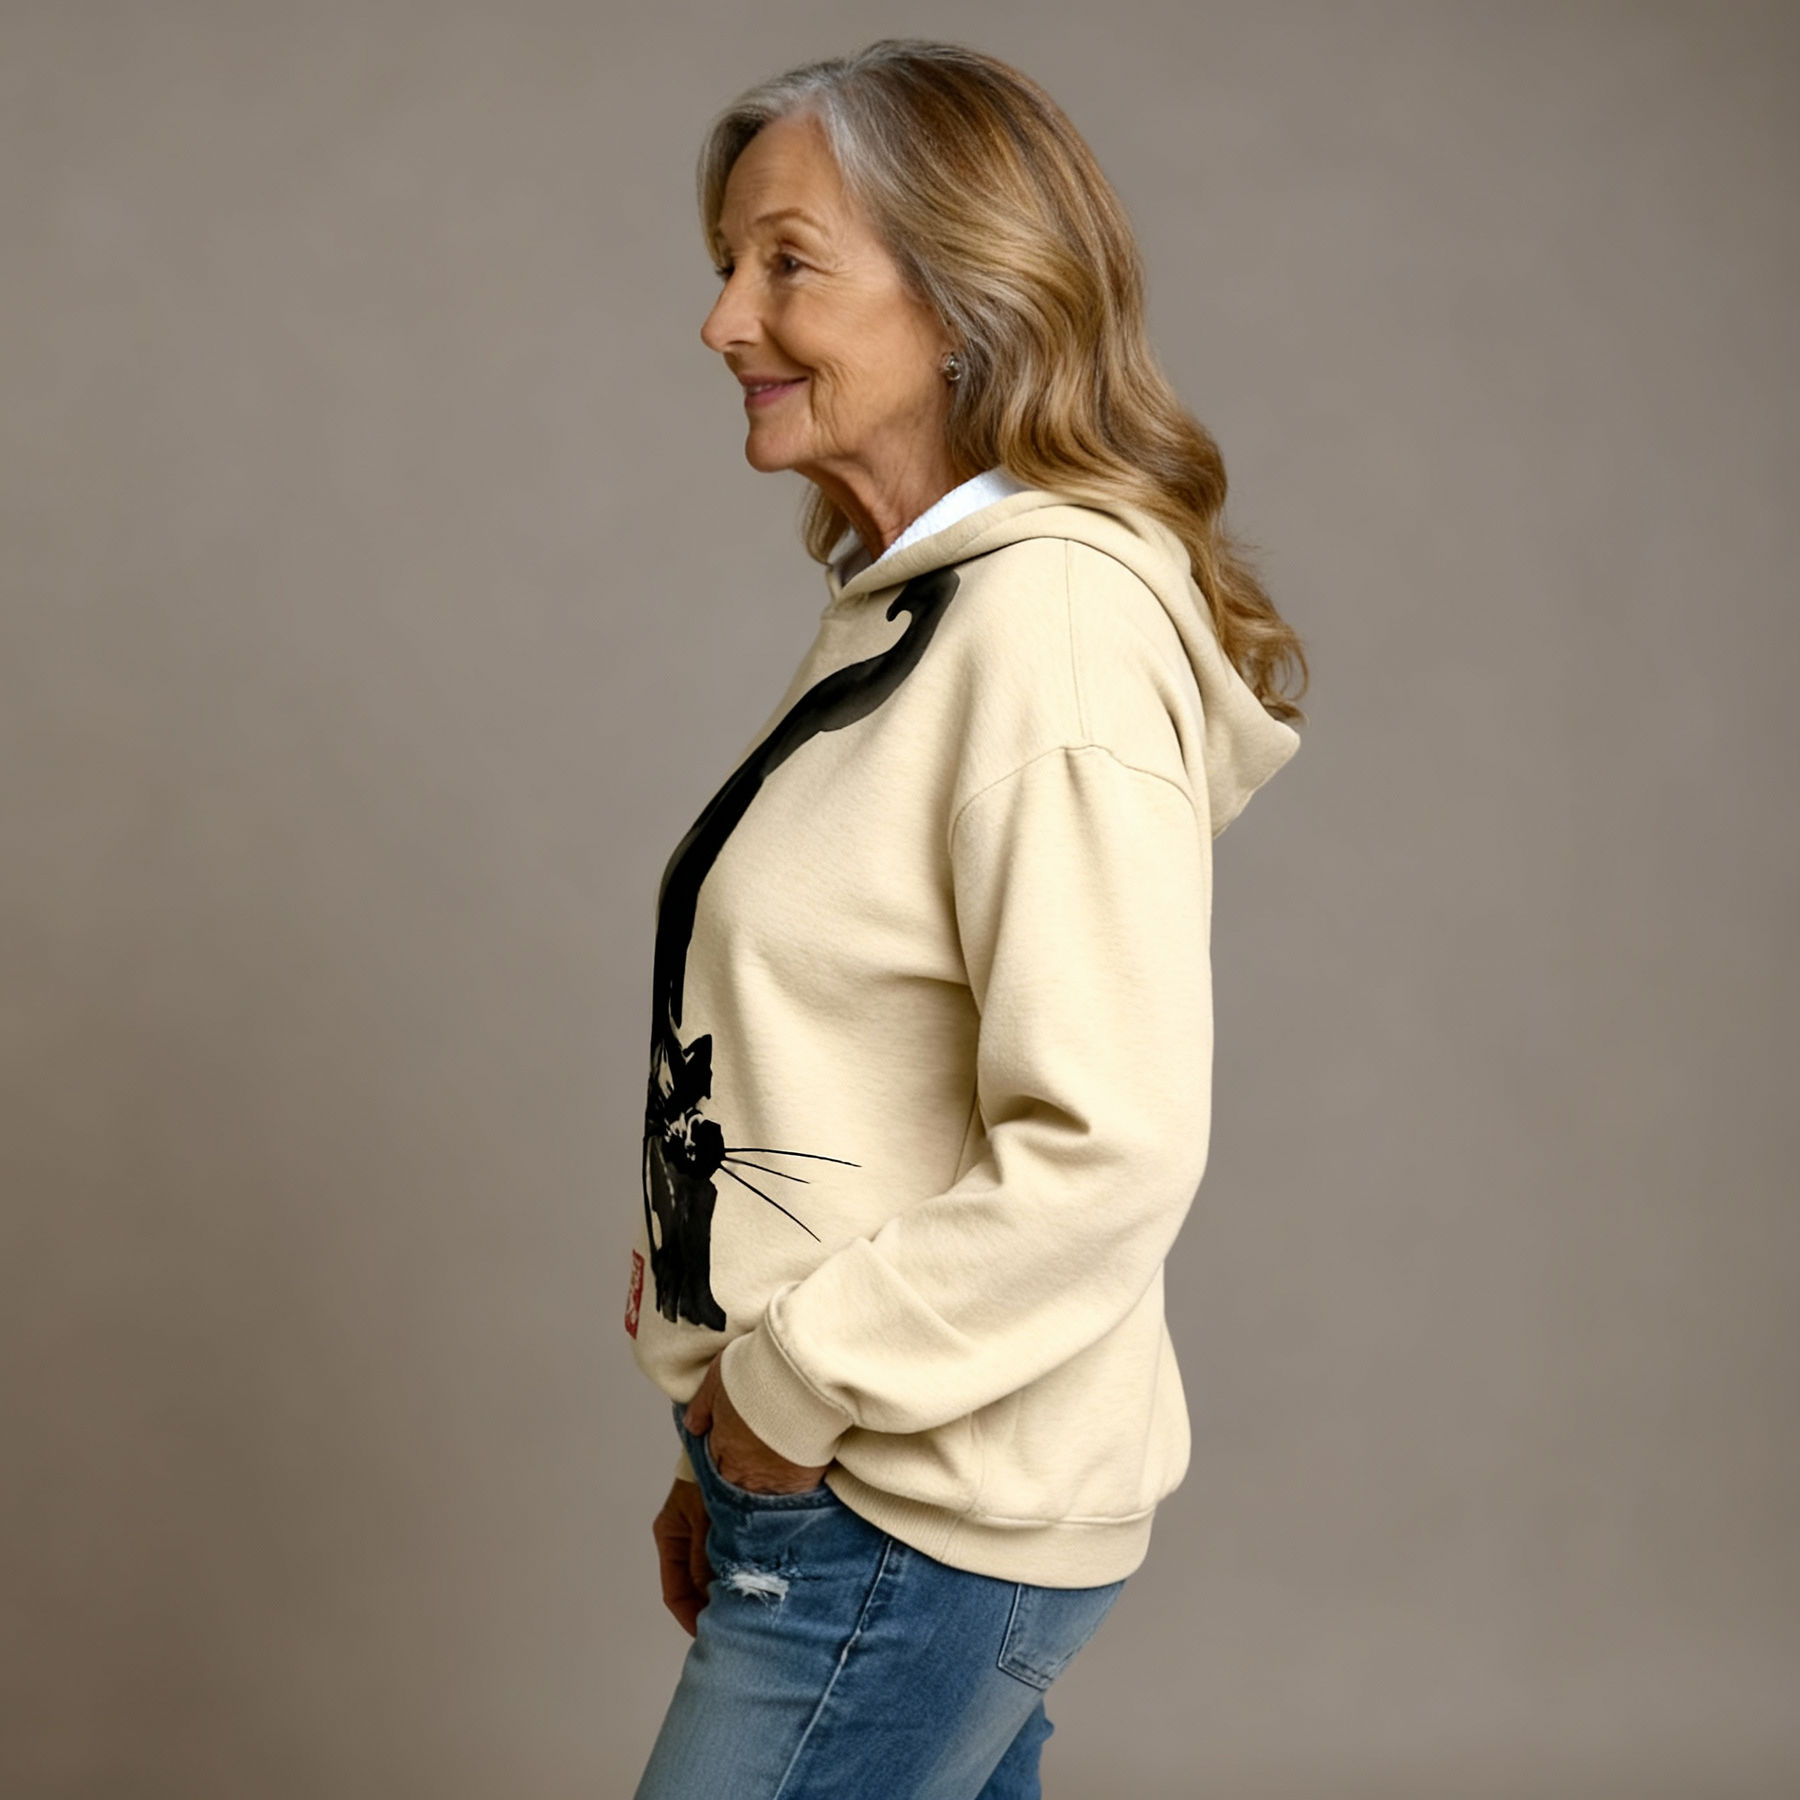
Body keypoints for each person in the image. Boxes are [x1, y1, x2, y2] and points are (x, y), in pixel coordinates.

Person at [625, 39, 1305, 1800]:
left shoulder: (1048, 634)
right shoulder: (917, 617)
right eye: (727, 264)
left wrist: (782, 1400)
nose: (723, 321)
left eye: (786, 262)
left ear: (961, 299)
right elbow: (841, 1072)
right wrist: (717, 1428)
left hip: (903, 1511)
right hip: (837, 1485)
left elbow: (1106, 1150)